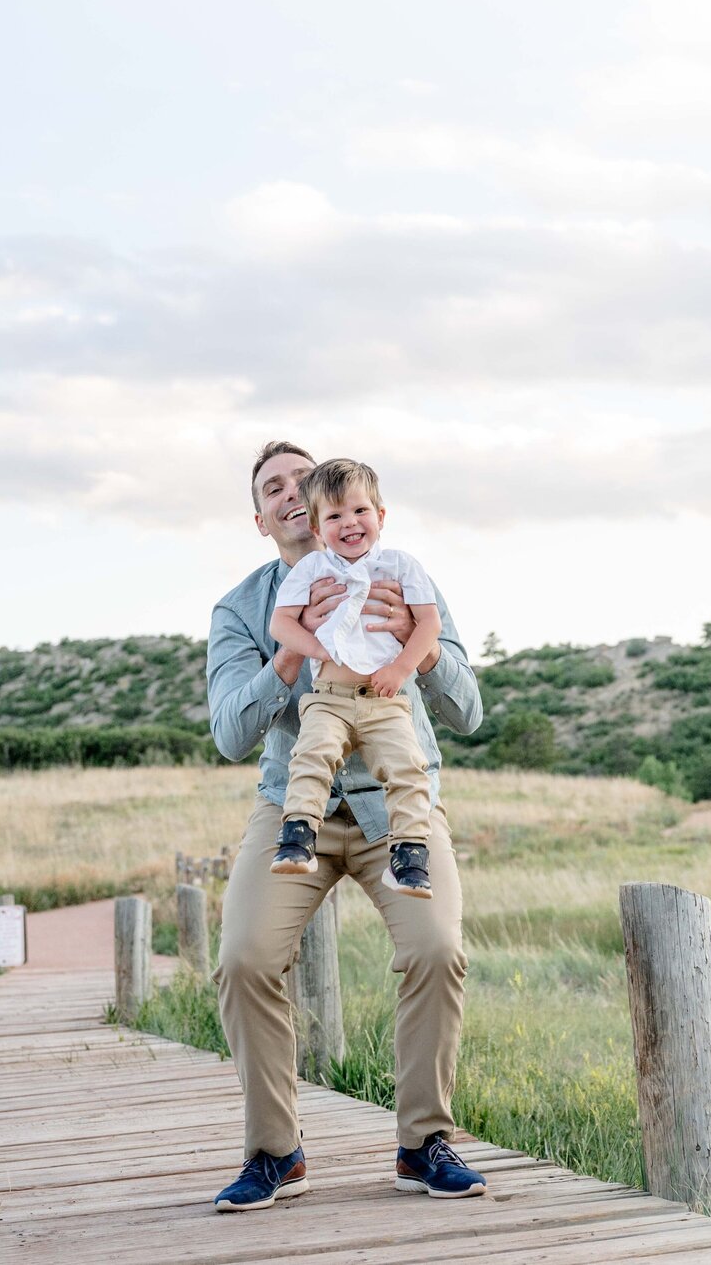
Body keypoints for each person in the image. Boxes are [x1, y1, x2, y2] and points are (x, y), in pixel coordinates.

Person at [207, 441, 488, 1211]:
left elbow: (469, 710)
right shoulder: (242, 608)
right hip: (293, 804)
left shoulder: (402, 575)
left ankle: (422, 1142)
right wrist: (291, 655)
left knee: (436, 946)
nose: (292, 492)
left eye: (305, 479)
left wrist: (413, 645)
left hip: (393, 806)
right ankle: (275, 1152)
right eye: (274, 488)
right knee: (242, 959)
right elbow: (231, 732)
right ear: (262, 518)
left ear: (342, 502)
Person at [268, 457, 442, 899]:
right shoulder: (311, 571)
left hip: (384, 696)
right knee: (312, 755)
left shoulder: (401, 566)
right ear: (317, 525)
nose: (350, 523)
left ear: (380, 516)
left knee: (408, 768)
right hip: (329, 694)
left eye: (360, 511)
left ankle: (408, 855)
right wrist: (318, 648)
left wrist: (401, 668)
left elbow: (429, 625)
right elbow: (282, 625)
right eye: (334, 516)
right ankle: (298, 837)